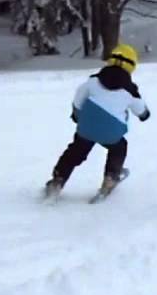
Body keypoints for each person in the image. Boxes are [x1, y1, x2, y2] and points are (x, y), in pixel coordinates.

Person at [45, 43, 150, 196]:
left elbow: (78, 99)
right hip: (112, 131)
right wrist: (144, 114)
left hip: (87, 126)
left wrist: (77, 115)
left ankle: (57, 180)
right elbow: (142, 112)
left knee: (76, 150)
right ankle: (111, 177)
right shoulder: (130, 90)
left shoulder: (93, 80)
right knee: (119, 147)